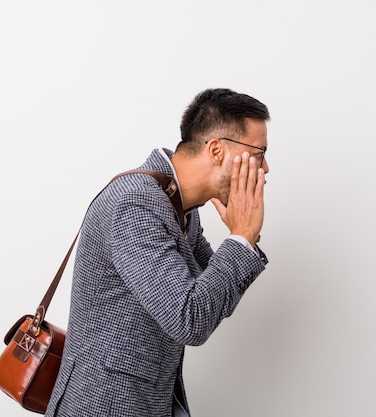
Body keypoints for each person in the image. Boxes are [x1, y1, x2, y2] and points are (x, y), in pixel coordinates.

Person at [45, 88, 271, 417]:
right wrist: (242, 237)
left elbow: (212, 297)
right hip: (103, 405)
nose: (265, 169)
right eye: (259, 153)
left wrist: (244, 238)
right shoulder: (135, 203)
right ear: (217, 150)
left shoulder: (180, 208)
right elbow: (191, 319)